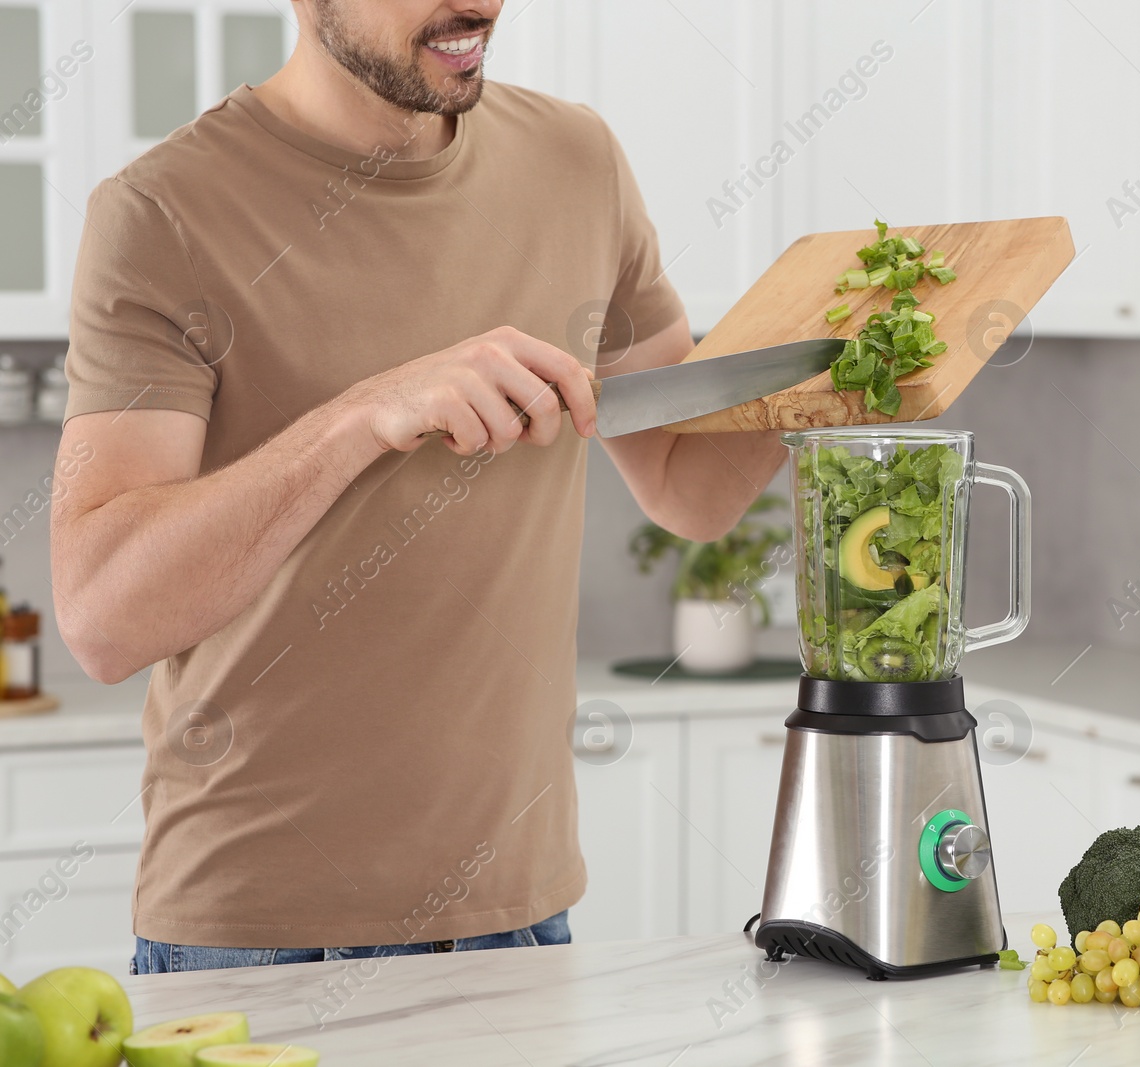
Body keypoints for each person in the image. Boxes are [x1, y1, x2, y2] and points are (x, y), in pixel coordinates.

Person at [50, 0, 783, 974]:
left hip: (521, 922)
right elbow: (103, 615)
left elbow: (690, 486)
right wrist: (362, 416)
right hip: (256, 937)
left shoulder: (578, 161)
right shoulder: (163, 212)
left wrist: (847, 370)